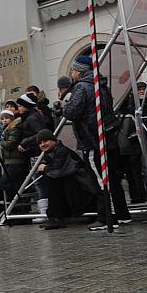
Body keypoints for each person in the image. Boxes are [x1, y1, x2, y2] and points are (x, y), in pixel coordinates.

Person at [63, 55, 131, 230]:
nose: (72, 73)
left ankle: (107, 216)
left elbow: (71, 112)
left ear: (79, 71)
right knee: (113, 178)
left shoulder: (82, 88)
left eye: (73, 70)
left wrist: (63, 105)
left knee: (100, 179)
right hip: (108, 137)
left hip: (92, 140)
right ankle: (122, 214)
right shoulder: (101, 85)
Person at [36, 130, 100, 229]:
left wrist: (45, 168)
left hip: (83, 189)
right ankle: (55, 217)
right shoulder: (53, 152)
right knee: (52, 181)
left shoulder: (62, 151)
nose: (42, 144)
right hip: (77, 189)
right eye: (40, 143)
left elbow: (58, 171)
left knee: (54, 181)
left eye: (45, 141)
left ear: (53, 140)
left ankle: (56, 217)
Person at [0, 109, 28, 214]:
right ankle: (19, 208)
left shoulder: (14, 128)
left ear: (11, 119)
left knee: (4, 184)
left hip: (15, 161)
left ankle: (20, 201)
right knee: (13, 184)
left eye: (6, 118)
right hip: (10, 161)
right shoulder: (7, 129)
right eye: (2, 119)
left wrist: (1, 143)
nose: (4, 120)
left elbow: (11, 144)